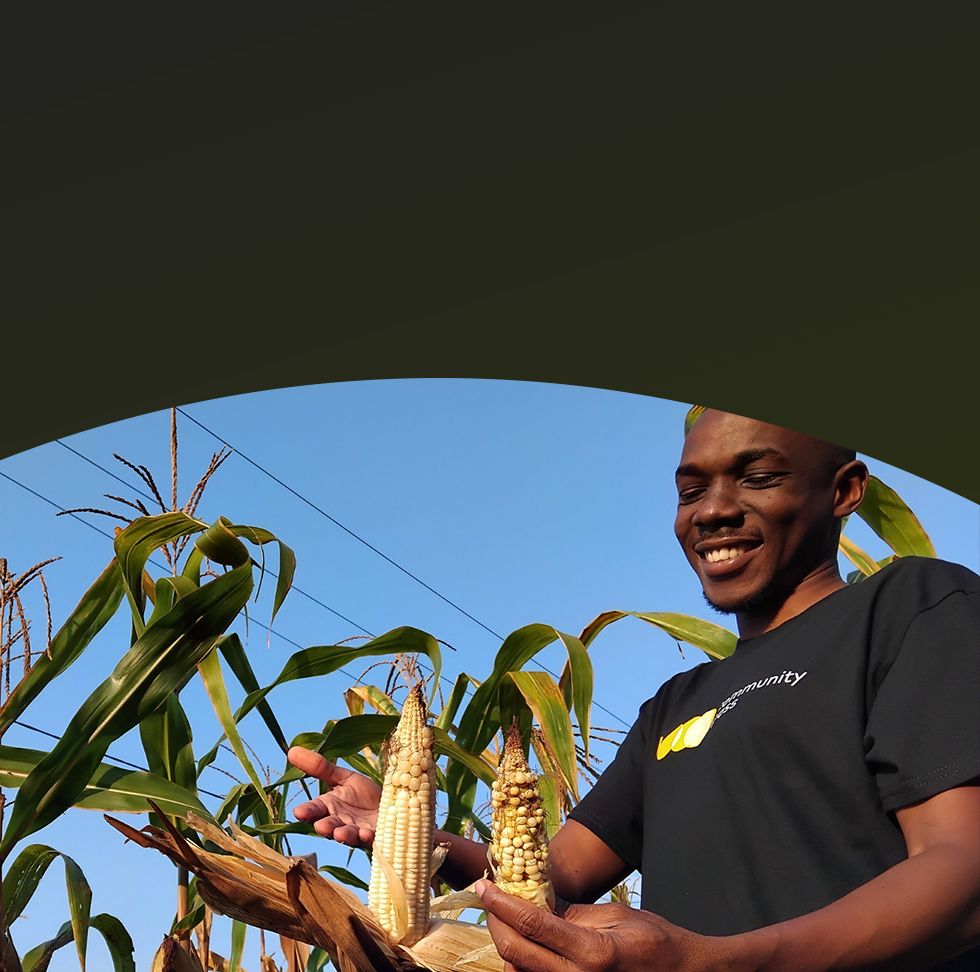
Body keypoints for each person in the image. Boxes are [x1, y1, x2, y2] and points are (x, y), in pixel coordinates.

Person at [288, 410, 980, 971]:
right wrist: (411, 832)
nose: (712, 512)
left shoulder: (911, 607)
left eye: (758, 477)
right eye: (690, 492)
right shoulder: (674, 705)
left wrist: (709, 964)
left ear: (843, 490)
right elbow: (551, 875)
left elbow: (963, 870)